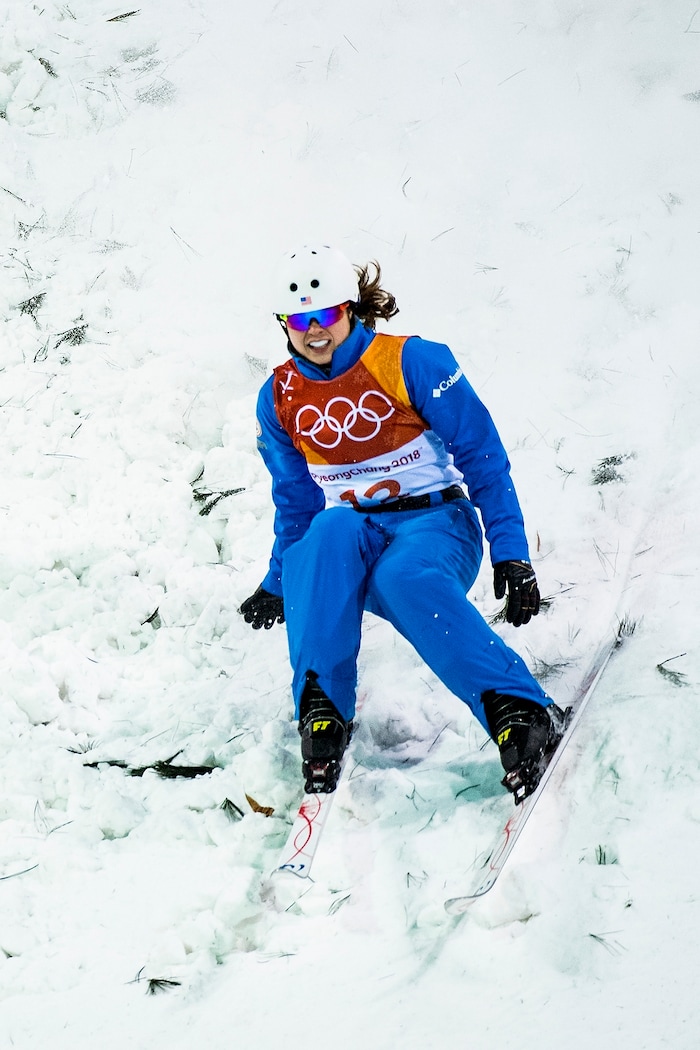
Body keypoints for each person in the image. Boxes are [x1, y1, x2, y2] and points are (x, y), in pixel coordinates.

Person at [240, 244, 568, 804]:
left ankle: (519, 709)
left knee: (402, 577)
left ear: (351, 309)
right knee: (325, 534)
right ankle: (322, 710)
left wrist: (510, 551)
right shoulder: (279, 397)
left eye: (325, 315)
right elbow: (294, 503)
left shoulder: (412, 362)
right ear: (284, 326)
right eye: (300, 320)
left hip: (435, 525)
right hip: (355, 538)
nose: (314, 330)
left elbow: (483, 456)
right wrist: (279, 580)